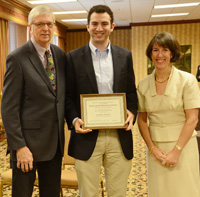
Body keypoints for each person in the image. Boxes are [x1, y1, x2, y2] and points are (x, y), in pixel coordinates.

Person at [65, 5, 138, 197]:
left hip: (118, 136)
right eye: (94, 24)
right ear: (87, 26)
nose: (99, 28)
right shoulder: (72, 58)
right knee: (88, 193)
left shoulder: (125, 56)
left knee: (118, 193)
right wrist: (74, 120)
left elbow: (131, 92)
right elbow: (68, 97)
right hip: (86, 136)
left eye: (104, 23)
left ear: (112, 26)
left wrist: (131, 112)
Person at [1, 5, 66, 197]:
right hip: (27, 147)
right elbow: (8, 108)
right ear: (30, 27)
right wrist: (19, 147)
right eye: (40, 24)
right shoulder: (17, 58)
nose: (45, 28)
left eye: (49, 24)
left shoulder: (59, 55)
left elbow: (60, 98)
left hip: (54, 145)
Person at [137, 31, 200, 197]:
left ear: (172, 53)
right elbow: (142, 120)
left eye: (165, 50)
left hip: (183, 146)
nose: (160, 55)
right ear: (150, 54)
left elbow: (192, 119)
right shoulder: (143, 84)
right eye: (155, 50)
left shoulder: (187, 80)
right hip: (156, 148)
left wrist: (177, 150)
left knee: (184, 190)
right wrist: (152, 148)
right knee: (159, 191)